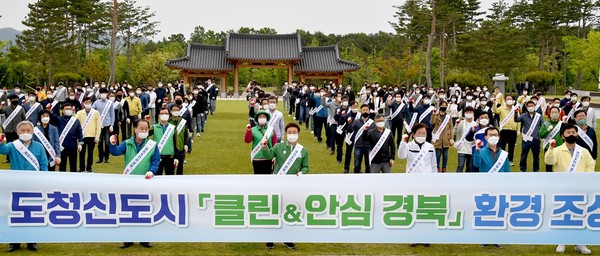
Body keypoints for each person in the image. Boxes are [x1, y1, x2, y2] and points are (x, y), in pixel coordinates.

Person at [544, 123, 594, 254]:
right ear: (563, 136)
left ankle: (581, 243)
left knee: (581, 215)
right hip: (562, 188)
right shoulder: (556, 150)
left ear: (577, 135)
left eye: (573, 132)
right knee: (562, 215)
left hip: (581, 188)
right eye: (568, 133)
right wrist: (550, 148)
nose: (571, 134)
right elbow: (549, 162)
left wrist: (585, 180)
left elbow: (590, 166)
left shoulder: (584, 151)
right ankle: (562, 242)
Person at [109, 118, 159, 249]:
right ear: (135, 129)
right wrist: (112, 144)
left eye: (146, 129)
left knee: (144, 210)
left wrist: (151, 171)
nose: (144, 131)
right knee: (128, 210)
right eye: (141, 128)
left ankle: (144, 238)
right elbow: (116, 152)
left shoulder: (152, 145)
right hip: (129, 182)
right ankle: (128, 239)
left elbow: (155, 161)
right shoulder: (127, 143)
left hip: (145, 182)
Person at [0, 121, 48, 252]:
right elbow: (2, 150)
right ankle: (14, 243)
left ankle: (31, 242)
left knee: (32, 214)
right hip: (15, 186)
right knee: (15, 214)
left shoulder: (38, 147)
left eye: (28, 130)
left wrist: (43, 179)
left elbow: (44, 164)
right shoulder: (13, 145)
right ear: (17, 132)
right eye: (22, 131)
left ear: (33, 132)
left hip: (33, 186)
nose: (25, 133)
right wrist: (0, 142)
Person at [52, 103, 83, 172]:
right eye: (66, 109)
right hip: (62, 146)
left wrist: (80, 143)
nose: (68, 110)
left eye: (70, 109)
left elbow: (79, 132)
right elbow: (51, 116)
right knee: (62, 166)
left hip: (73, 146)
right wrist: (49, 110)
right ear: (62, 110)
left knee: (73, 165)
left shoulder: (76, 120)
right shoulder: (59, 119)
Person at [245, 110, 277, 175]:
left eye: (263, 117)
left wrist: (274, 157)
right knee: (257, 177)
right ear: (257, 119)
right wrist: (248, 131)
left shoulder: (271, 130)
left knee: (268, 177)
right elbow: (247, 140)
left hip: (268, 158)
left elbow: (274, 144)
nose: (262, 118)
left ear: (266, 119)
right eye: (260, 117)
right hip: (257, 157)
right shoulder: (253, 129)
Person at [515, 101, 542, 172]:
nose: (530, 107)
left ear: (534, 106)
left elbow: (542, 126)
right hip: (526, 139)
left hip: (536, 139)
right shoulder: (523, 115)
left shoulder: (539, 116)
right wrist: (515, 112)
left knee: (536, 156)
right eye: (529, 106)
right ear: (527, 107)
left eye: (532, 106)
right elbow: (516, 120)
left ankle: (536, 170)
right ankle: (523, 169)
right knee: (524, 155)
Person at [75, 97, 101, 172]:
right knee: (82, 153)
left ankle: (89, 167)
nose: (88, 103)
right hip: (82, 136)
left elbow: (98, 125)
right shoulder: (79, 113)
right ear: (83, 103)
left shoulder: (96, 112)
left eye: (89, 102)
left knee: (90, 153)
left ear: (91, 103)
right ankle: (82, 167)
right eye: (86, 102)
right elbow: (75, 123)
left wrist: (97, 137)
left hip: (92, 136)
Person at [493, 95, 520, 166]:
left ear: (513, 100)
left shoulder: (515, 109)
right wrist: (494, 103)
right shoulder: (502, 108)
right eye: (507, 99)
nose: (509, 100)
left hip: (513, 130)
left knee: (512, 146)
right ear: (505, 100)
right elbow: (495, 111)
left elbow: (518, 120)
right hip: (504, 130)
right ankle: (501, 160)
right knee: (502, 146)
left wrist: (518, 130)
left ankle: (510, 160)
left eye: (510, 99)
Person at [0, 94, 27, 163]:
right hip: (9, 130)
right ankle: (8, 158)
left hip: (18, 130)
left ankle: (20, 157)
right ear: (10, 100)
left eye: (16, 99)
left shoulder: (21, 108)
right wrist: (1, 108)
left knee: (20, 144)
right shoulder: (6, 108)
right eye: (13, 99)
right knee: (9, 144)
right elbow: (2, 116)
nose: (15, 100)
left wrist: (23, 128)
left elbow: (24, 119)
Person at [150, 107, 177, 175]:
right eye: (162, 113)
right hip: (157, 157)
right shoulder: (154, 127)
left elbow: (175, 143)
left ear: (169, 115)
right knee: (157, 178)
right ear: (159, 115)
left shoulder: (173, 128)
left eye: (166, 113)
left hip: (170, 157)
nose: (164, 115)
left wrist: (176, 157)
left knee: (170, 178)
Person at [349, 104, 374, 173]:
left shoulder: (372, 123)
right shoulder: (356, 121)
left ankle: (368, 179)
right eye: (363, 110)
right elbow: (351, 131)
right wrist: (349, 124)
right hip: (358, 146)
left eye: (367, 110)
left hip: (369, 146)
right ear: (361, 111)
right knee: (357, 165)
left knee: (368, 165)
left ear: (369, 112)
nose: (365, 111)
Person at [92, 88, 115, 164]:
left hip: (107, 125)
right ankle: (100, 158)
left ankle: (107, 158)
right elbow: (92, 113)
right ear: (99, 94)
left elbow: (112, 115)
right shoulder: (96, 103)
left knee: (107, 142)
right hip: (99, 126)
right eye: (102, 93)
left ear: (107, 94)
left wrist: (112, 125)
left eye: (104, 93)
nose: (103, 94)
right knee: (100, 142)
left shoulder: (110, 103)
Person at [431, 101, 454, 173]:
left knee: (445, 155)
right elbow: (432, 122)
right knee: (437, 154)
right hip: (438, 138)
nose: (444, 107)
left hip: (446, 138)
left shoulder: (448, 116)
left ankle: (444, 168)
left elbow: (451, 128)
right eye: (442, 105)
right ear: (440, 106)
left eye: (445, 105)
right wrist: (434, 115)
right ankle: (437, 167)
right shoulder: (436, 115)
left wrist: (452, 138)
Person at [539, 106, 564, 172]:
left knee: (560, 165)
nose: (554, 114)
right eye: (553, 112)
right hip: (548, 147)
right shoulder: (545, 124)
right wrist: (547, 130)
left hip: (559, 147)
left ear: (559, 113)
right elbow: (541, 135)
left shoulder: (562, 124)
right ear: (550, 113)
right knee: (549, 166)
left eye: (556, 112)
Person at [454, 107, 477, 172]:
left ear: (473, 113)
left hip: (472, 148)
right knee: (460, 166)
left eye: (470, 112)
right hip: (462, 147)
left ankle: (468, 181)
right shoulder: (460, 123)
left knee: (469, 167)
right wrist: (456, 125)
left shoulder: (475, 124)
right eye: (467, 112)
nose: (469, 114)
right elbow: (455, 133)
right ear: (464, 113)